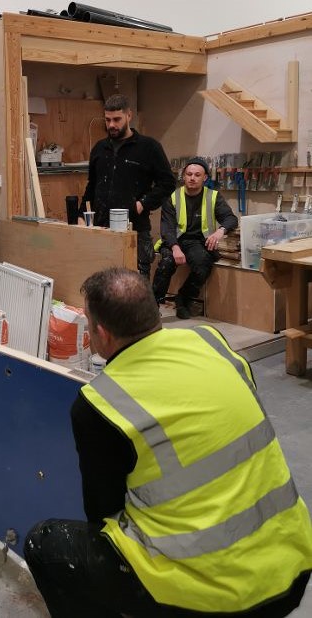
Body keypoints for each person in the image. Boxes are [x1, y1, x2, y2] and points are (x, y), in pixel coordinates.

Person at [24, 267, 312, 617]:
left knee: (44, 542)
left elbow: (103, 515)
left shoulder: (100, 405)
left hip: (220, 599)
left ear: (99, 334)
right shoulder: (211, 341)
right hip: (292, 563)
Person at [79, 94, 176, 278]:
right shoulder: (99, 149)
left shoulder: (149, 147)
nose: (112, 125)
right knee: (103, 285)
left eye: (117, 119)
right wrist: (82, 215)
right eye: (108, 120)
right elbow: (92, 186)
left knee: (136, 288)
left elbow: (167, 183)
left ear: (129, 116)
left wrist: (142, 204)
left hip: (135, 230)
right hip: (102, 229)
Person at [152, 156, 238, 319]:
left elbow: (231, 218)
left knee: (202, 266)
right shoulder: (173, 197)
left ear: (205, 178)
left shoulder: (213, 196)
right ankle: (153, 305)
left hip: (198, 242)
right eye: (189, 174)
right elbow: (167, 228)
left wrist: (220, 231)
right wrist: (175, 248)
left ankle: (183, 299)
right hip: (174, 241)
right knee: (166, 263)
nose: (192, 178)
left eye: (197, 175)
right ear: (183, 176)